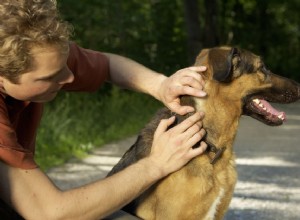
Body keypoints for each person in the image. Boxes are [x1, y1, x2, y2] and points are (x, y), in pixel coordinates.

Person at [0, 0, 208, 219]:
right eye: (50, 77)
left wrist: (161, 85)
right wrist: (156, 164)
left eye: (65, 65)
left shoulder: (41, 54)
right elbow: (51, 212)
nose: (69, 77)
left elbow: (108, 65)